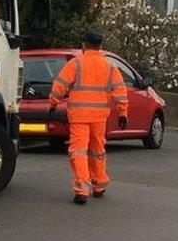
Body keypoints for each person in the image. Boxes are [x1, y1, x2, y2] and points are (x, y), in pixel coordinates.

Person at [48, 31, 128, 205]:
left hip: (79, 116)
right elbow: (120, 91)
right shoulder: (109, 66)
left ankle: (82, 190)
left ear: (84, 45)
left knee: (78, 151)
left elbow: (59, 86)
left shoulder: (76, 63)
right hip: (100, 117)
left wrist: (53, 103)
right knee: (97, 151)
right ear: (99, 46)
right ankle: (99, 185)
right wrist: (122, 113)